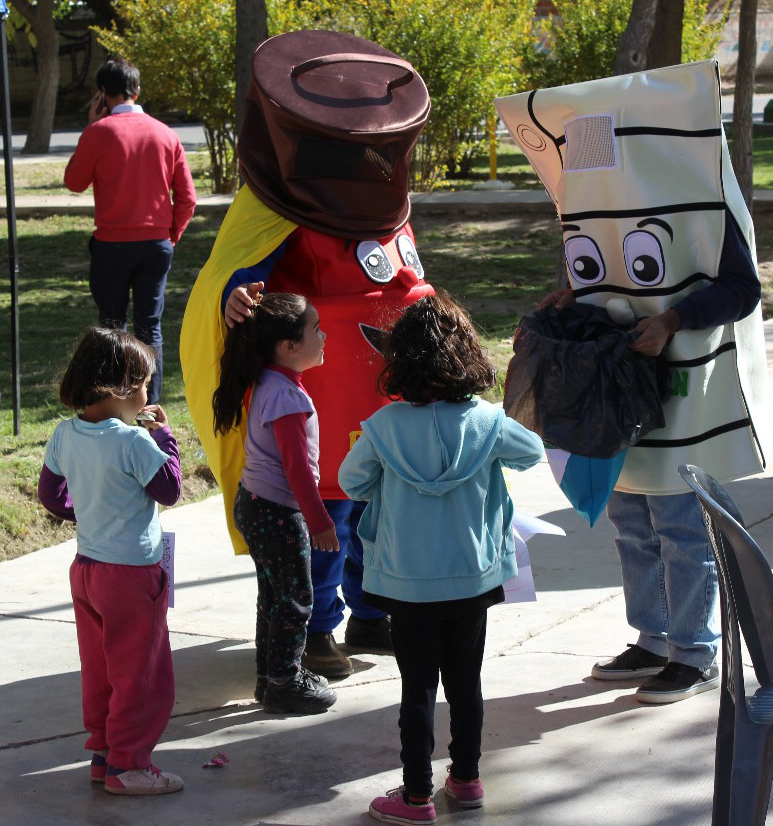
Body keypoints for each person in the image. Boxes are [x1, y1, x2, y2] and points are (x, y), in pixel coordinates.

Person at [494, 62, 771, 705]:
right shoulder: (599, 205)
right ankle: (652, 637)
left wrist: (673, 319)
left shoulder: (706, 200)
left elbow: (742, 289)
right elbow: (604, 267)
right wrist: (573, 295)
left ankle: (694, 651)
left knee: (679, 523)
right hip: (613, 386)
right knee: (630, 519)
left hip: (681, 391)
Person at [180, 31, 434, 681]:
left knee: (381, 506)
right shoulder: (277, 205)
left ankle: (371, 613)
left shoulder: (384, 205)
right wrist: (238, 298)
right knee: (328, 505)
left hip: (383, 389)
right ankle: (317, 629)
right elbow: (237, 272)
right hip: (320, 391)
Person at [338, 291, 544, 825]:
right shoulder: (487, 422)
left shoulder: (383, 426)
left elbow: (351, 481)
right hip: (472, 576)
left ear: (399, 362)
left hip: (405, 581)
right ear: (466, 356)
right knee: (466, 683)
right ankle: (467, 779)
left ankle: (414, 798)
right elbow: (531, 452)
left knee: (418, 689)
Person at [36, 327, 184, 795]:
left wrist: (90, 511)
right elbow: (169, 490)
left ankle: (104, 754)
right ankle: (129, 765)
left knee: (101, 669)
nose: (148, 395)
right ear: (120, 387)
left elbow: (51, 496)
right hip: (133, 575)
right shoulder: (134, 442)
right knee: (141, 674)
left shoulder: (64, 434)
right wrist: (165, 437)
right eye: (145, 384)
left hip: (87, 571)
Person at [214, 292, 340, 714]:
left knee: (274, 597)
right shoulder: (286, 397)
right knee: (296, 599)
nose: (324, 337)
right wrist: (319, 520)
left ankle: (270, 678)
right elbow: (296, 469)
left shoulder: (269, 381)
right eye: (315, 330)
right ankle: (286, 682)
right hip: (277, 511)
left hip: (255, 504)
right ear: (288, 346)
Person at [64, 58, 197, 405]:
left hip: (112, 245)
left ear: (102, 94)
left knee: (112, 327)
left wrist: (91, 126)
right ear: (137, 90)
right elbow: (187, 198)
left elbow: (74, 182)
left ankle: (114, 397)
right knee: (150, 325)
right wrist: (171, 236)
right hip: (156, 243)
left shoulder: (98, 132)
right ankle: (150, 401)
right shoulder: (166, 134)